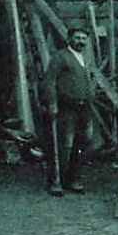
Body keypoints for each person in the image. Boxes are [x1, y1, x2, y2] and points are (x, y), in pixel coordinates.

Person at [44, 26, 98, 196]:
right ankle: (55, 181)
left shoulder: (86, 58)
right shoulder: (60, 57)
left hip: (85, 108)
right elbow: (49, 82)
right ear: (69, 39)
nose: (81, 42)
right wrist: (52, 103)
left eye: (83, 39)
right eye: (77, 38)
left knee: (83, 144)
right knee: (64, 145)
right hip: (67, 108)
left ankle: (73, 179)